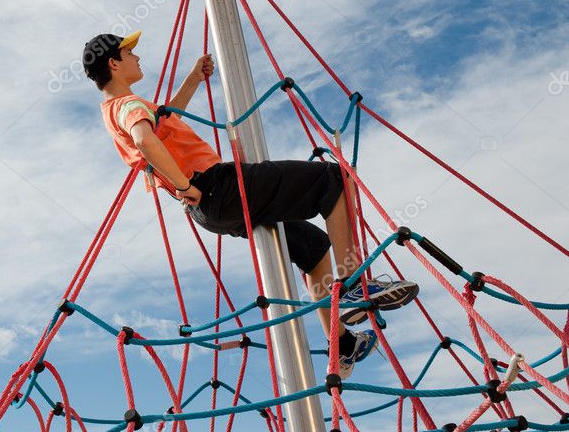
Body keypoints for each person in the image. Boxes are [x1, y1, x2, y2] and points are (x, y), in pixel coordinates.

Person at [83, 30, 419, 378]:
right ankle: (352, 285)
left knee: (315, 248)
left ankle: (343, 342)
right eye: (130, 53)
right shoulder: (129, 107)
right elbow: (147, 140)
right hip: (217, 187)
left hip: (211, 211)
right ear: (114, 63)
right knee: (334, 179)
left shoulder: (114, 111)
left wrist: (193, 79)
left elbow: (165, 122)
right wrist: (185, 185)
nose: (138, 58)